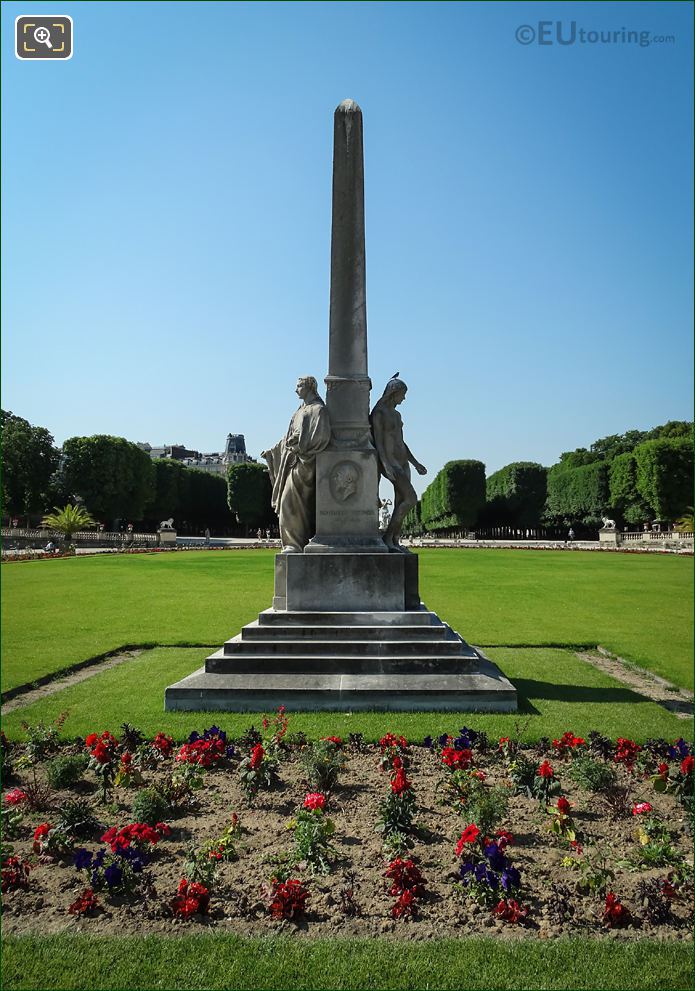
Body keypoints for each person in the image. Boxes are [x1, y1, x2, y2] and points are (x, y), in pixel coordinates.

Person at [261, 376, 331, 552]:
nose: (296, 389)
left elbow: (321, 437)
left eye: (299, 386)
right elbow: (288, 437)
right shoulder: (299, 411)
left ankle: (294, 544)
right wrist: (272, 452)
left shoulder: (319, 410)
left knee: (288, 502)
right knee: (290, 503)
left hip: (304, 462)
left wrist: (299, 446)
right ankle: (294, 543)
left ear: (309, 387)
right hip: (292, 461)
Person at [370, 375, 427, 552]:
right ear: (393, 393)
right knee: (410, 498)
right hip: (391, 462)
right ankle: (388, 537)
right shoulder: (379, 412)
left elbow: (401, 442)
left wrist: (415, 463)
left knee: (401, 500)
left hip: (402, 462)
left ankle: (394, 540)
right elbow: (378, 441)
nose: (404, 398)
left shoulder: (396, 414)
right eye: (402, 394)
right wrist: (385, 464)